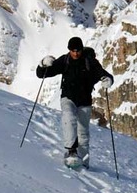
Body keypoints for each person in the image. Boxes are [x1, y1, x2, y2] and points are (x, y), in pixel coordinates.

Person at [36, 36, 114, 168]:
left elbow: (102, 74)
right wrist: (43, 64)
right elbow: (42, 74)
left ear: (81, 49)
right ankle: (71, 152)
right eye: (73, 50)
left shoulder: (89, 62)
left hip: (85, 101)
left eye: (78, 50)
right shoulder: (65, 60)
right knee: (68, 117)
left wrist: (108, 79)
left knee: (83, 133)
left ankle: (83, 162)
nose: (75, 53)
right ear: (69, 50)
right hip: (68, 97)